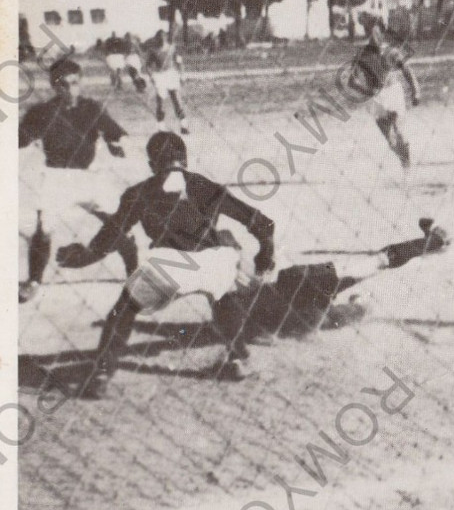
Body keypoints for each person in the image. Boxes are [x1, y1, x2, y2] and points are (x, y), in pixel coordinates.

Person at [56, 132, 276, 396]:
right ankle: (239, 358)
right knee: (224, 289)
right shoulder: (205, 187)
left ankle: (102, 373)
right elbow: (262, 223)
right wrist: (265, 255)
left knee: (123, 310)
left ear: (151, 164)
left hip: (169, 266)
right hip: (213, 262)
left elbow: (108, 240)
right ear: (185, 159)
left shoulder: (139, 193)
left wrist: (80, 256)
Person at [18, 56, 135, 303]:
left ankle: (134, 272)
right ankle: (34, 281)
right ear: (55, 86)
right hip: (57, 178)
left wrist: (119, 144)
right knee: (44, 229)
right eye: (65, 85)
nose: (71, 90)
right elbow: (20, 140)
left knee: (119, 221)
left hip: (88, 177)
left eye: (75, 83)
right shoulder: (43, 112)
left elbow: (117, 133)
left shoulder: (91, 108)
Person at [347, 21, 420, 167]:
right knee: (391, 141)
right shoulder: (362, 54)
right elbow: (352, 81)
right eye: (370, 31)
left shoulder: (391, 52)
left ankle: (407, 163)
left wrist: (416, 91)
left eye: (377, 31)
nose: (374, 35)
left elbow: (407, 71)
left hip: (393, 93)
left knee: (398, 131)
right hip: (376, 99)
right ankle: (405, 160)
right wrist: (368, 91)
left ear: (382, 33)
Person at [146, 29, 189, 133]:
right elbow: (147, 66)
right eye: (159, 38)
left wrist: (182, 76)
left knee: (177, 100)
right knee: (160, 103)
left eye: (163, 37)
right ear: (156, 39)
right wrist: (151, 76)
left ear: (165, 37)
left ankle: (184, 126)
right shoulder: (153, 51)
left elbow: (179, 62)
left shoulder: (172, 48)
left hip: (171, 75)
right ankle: (161, 128)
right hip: (160, 77)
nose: (161, 40)